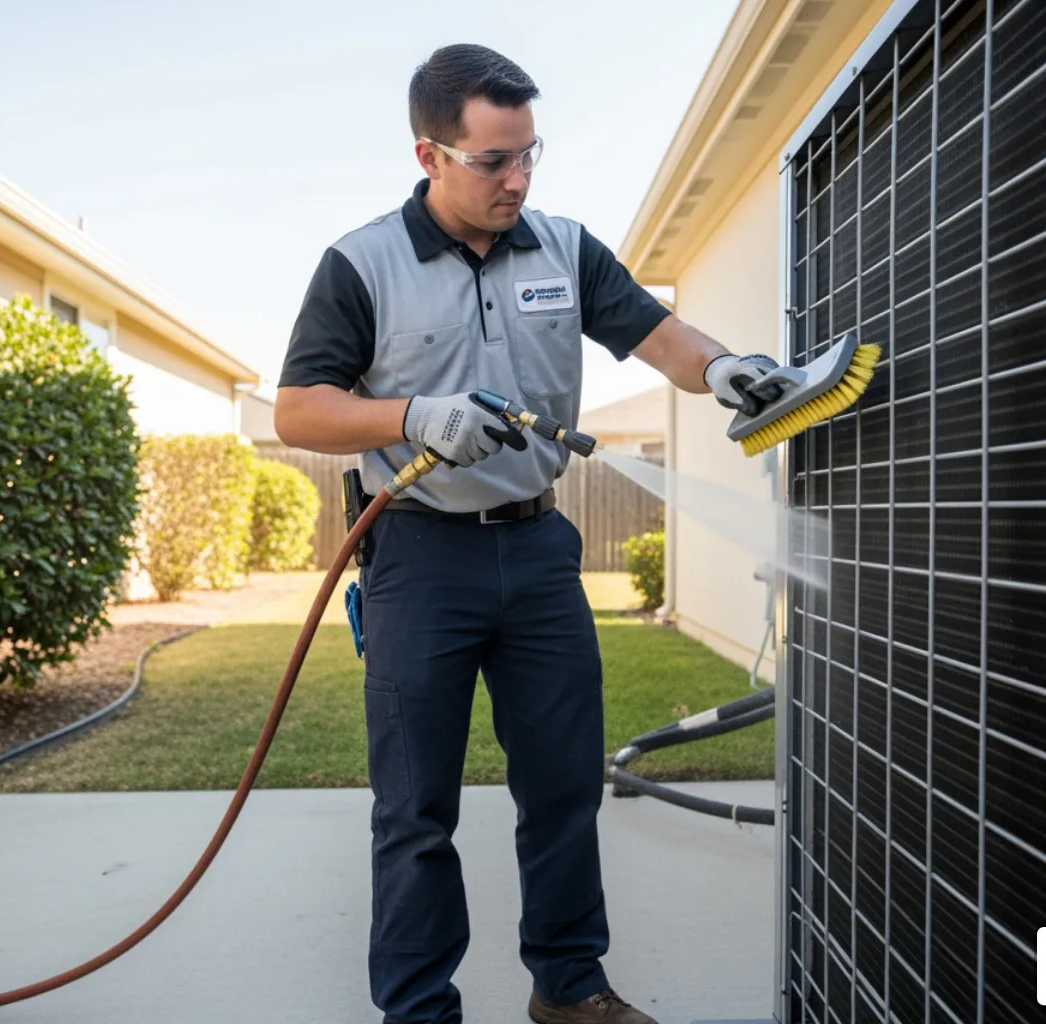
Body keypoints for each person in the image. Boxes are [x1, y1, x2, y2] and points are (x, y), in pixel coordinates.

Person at [274, 42, 787, 1024]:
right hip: (419, 557)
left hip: (542, 553)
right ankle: (420, 1009)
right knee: (416, 808)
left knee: (562, 787)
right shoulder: (361, 263)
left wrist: (722, 367)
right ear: (429, 155)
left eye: (529, 154)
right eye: (492, 161)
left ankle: (570, 986)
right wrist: (410, 416)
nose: (518, 179)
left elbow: (658, 333)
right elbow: (299, 409)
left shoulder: (562, 246)